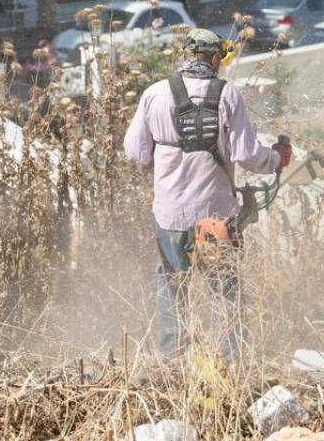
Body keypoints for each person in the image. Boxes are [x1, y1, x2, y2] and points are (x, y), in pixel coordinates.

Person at [123, 28, 292, 358]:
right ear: (215, 59)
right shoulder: (227, 95)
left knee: (172, 286)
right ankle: (229, 361)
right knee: (224, 287)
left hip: (169, 215)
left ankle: (174, 359)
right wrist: (276, 159)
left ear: (185, 56)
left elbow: (135, 153)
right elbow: (247, 155)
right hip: (216, 218)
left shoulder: (154, 94)